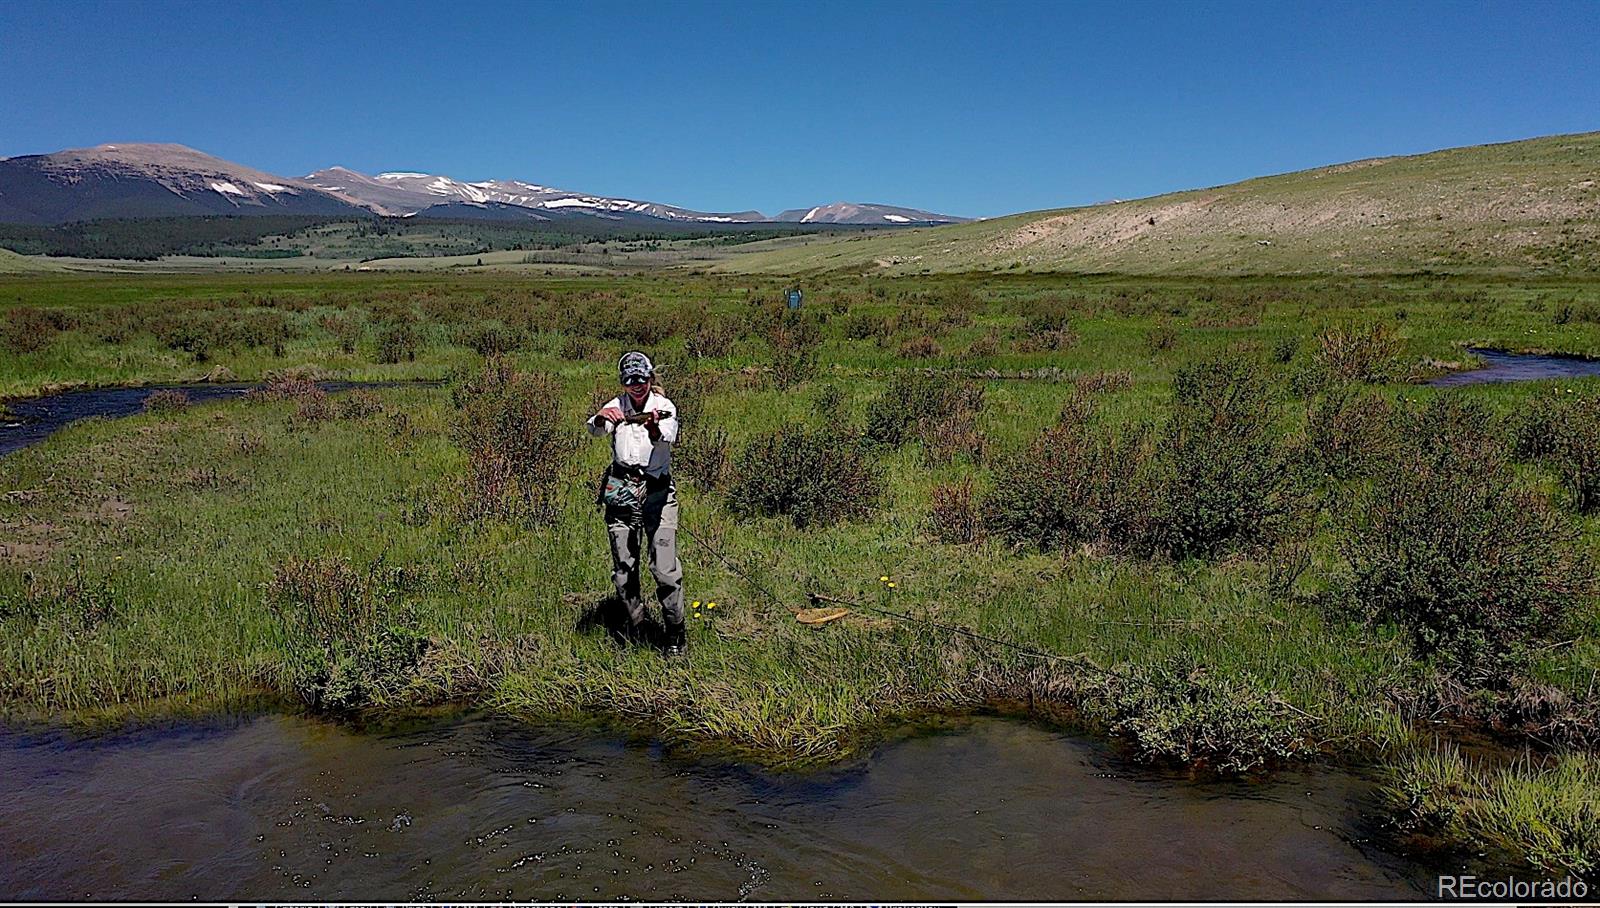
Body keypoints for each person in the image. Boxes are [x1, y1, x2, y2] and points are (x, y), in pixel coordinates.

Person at [586, 351, 686, 656]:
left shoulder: (664, 407)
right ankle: (638, 626)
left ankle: (675, 636)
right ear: (623, 383)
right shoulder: (616, 404)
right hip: (620, 487)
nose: (637, 385)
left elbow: (666, 436)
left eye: (641, 380)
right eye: (630, 382)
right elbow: (593, 428)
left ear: (650, 378)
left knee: (665, 568)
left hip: (657, 490)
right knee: (624, 568)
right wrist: (603, 416)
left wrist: (652, 426)